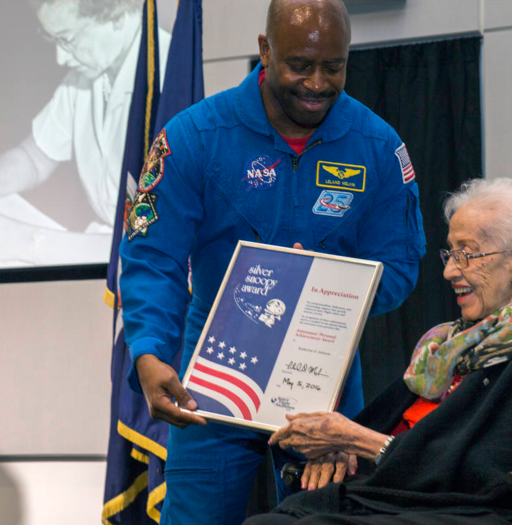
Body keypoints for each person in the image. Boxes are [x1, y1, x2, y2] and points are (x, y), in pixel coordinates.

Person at [118, 0, 426, 523]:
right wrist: (149, 352)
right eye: (300, 65)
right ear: (265, 50)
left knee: (325, 518)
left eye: (333, 66)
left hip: (322, 381)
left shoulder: (376, 146)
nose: (317, 83)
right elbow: (153, 258)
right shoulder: (195, 137)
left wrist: (329, 288)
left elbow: (398, 265)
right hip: (214, 380)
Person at [246, 177, 512, 524]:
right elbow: (388, 431)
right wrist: (344, 450)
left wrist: (359, 441)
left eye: (468, 254)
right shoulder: (444, 344)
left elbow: (489, 474)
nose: (449, 271)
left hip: (473, 509)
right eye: (450, 253)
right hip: (404, 496)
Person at [0, 0, 170, 265]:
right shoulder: (89, 74)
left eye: (67, 39)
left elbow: (153, 247)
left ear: (116, 17)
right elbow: (35, 157)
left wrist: (28, 241)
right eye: (52, 39)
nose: (60, 58)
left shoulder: (170, 87)